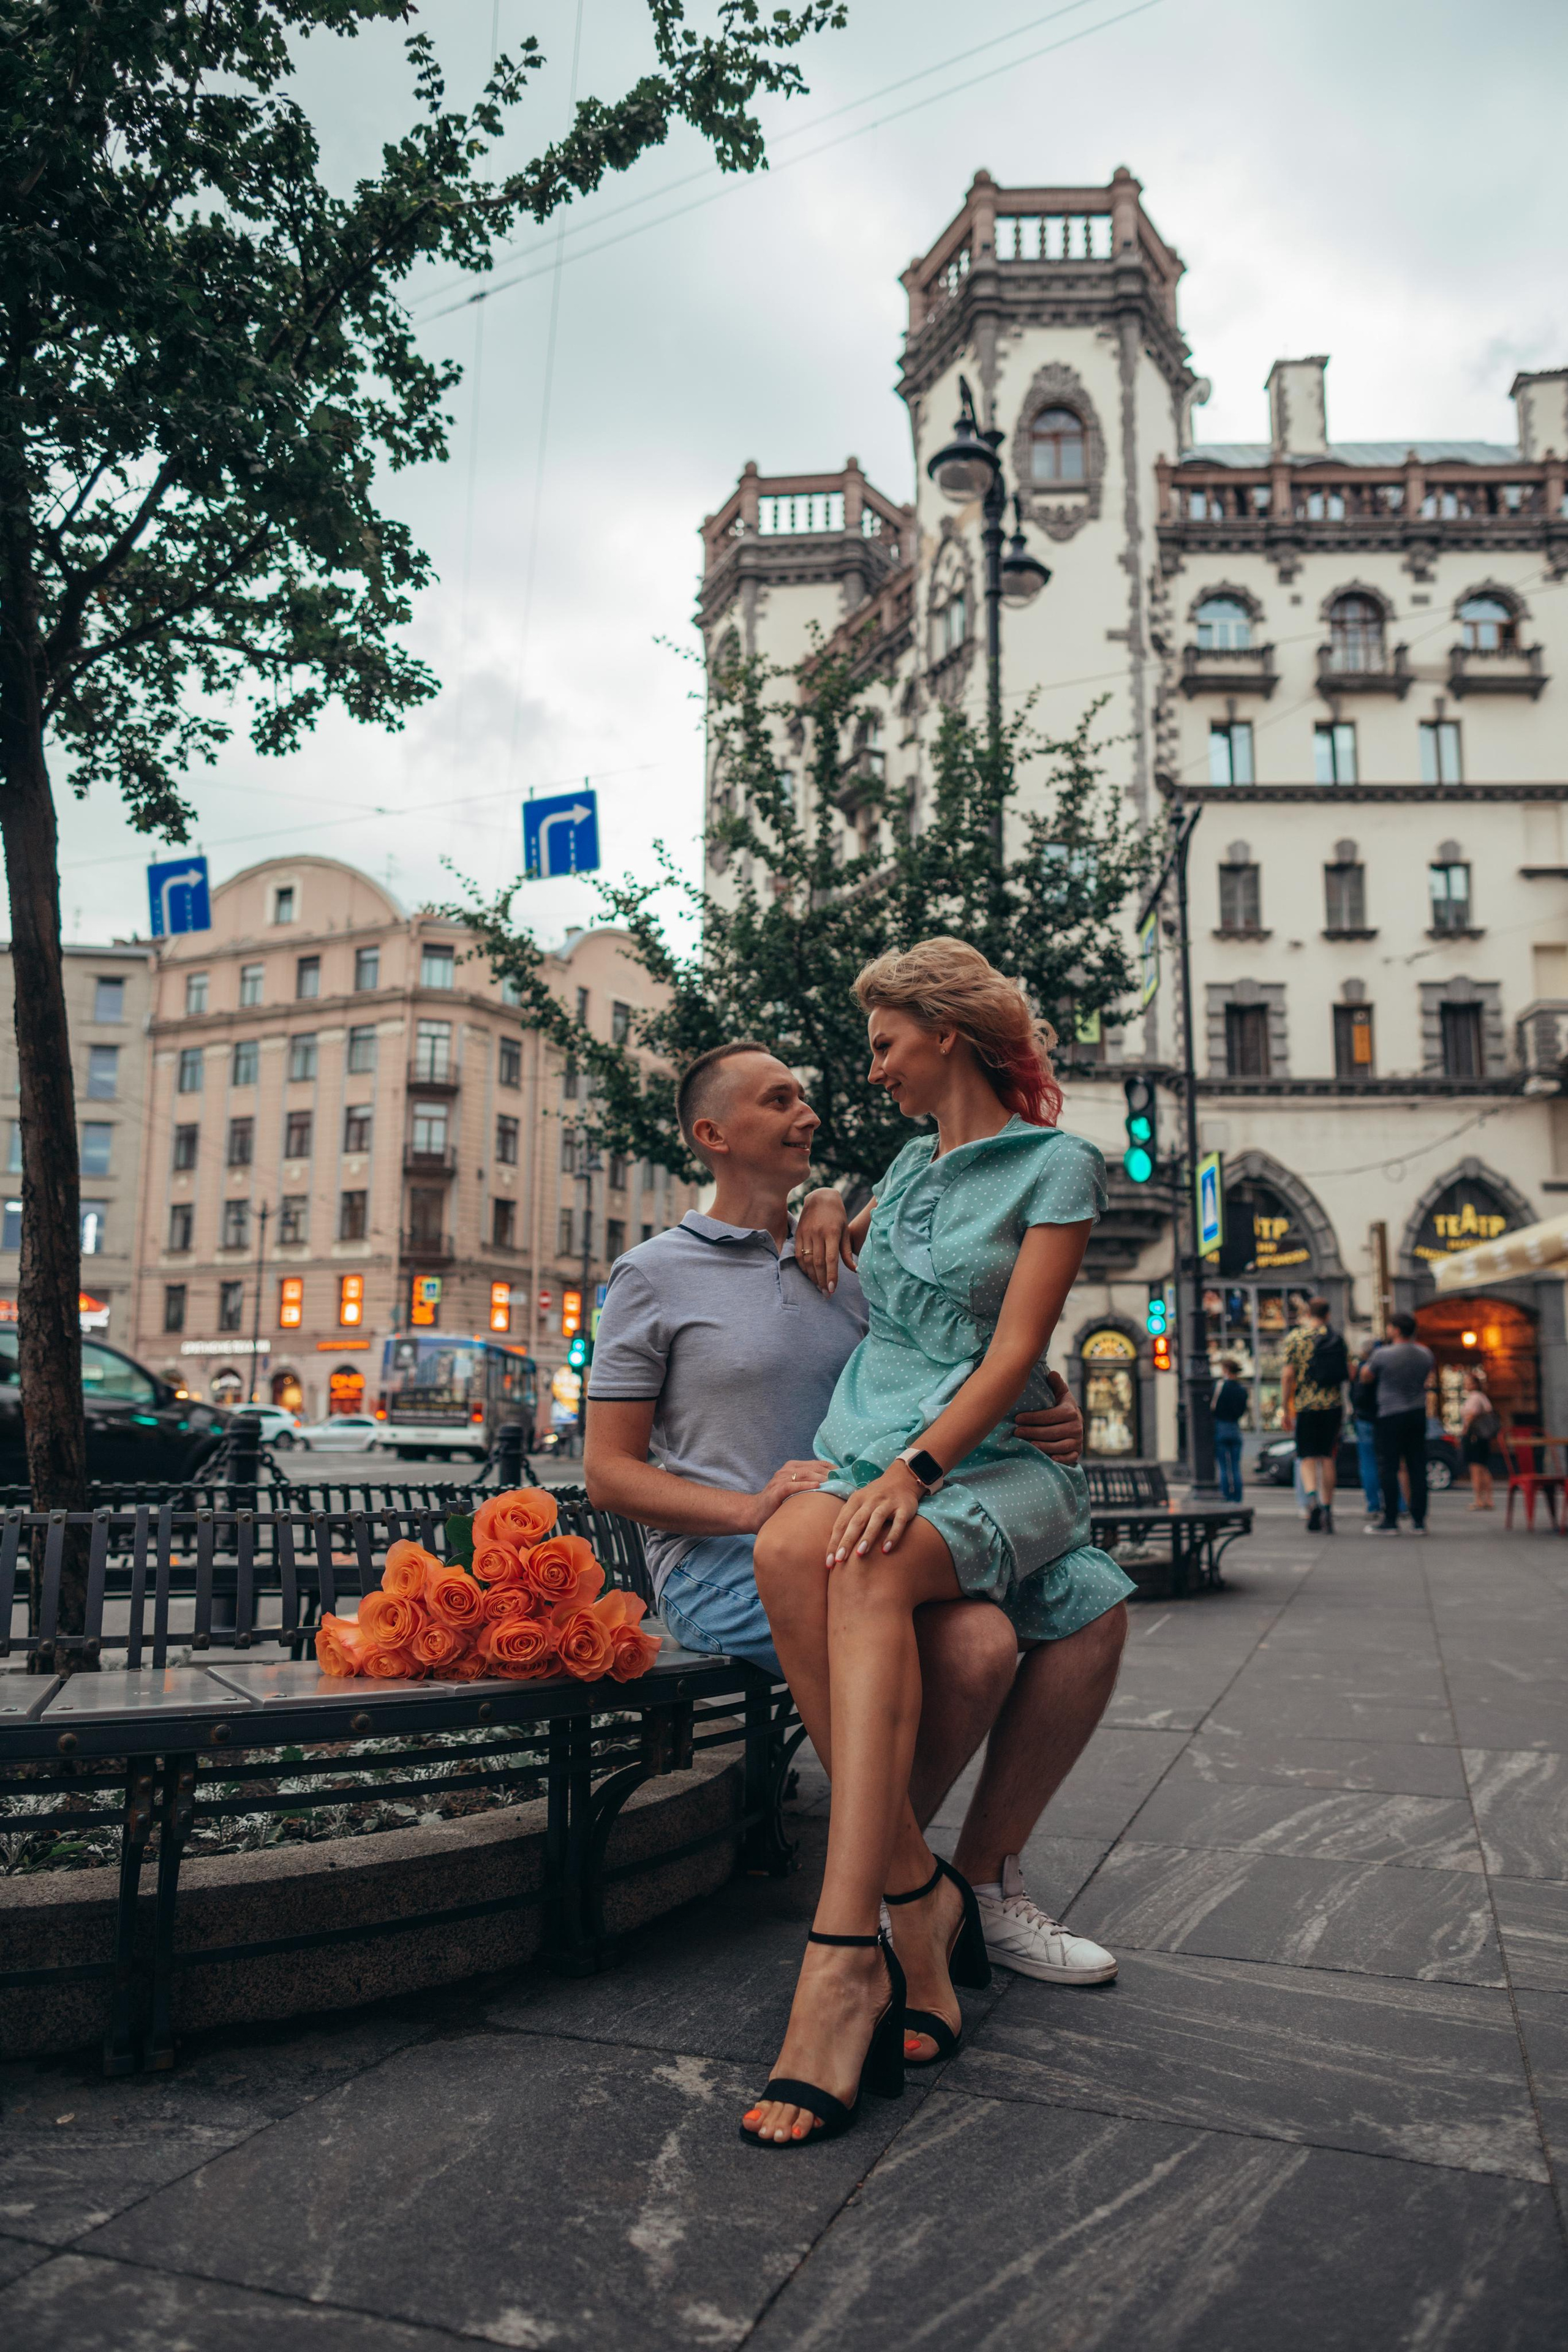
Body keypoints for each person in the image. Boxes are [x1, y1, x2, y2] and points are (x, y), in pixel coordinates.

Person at [582, 1033, 1126, 2046]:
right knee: (975, 1645)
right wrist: (750, 1510)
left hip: (875, 1528)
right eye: (780, 1101)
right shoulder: (655, 1274)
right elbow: (605, 1473)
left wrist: (1053, 1408)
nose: (811, 1113)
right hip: (729, 1563)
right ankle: (899, 1891)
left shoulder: (848, 1258)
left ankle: (944, 1887)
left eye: (808, 1097)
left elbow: (950, 1353)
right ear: (713, 1135)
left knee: (1072, 1610)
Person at [739, 938, 1134, 2149]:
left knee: (871, 1565)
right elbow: (867, 1265)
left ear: (943, 1033)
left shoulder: (1056, 1165)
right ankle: (914, 1899)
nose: (873, 1072)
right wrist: (814, 1201)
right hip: (868, 1445)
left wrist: (918, 1473)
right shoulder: (904, 1168)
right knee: (798, 1553)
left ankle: (841, 1950)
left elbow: (1015, 1350)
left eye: (883, 1046)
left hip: (984, 1460)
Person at [1361, 1311, 1438, 1536]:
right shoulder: (1425, 1354)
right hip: (1417, 1413)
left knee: (1389, 1467)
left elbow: (1366, 1376)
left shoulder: (1383, 1355)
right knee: (1416, 1467)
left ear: (1395, 1330)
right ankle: (1419, 1520)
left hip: (1390, 1414)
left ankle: (1391, 1519)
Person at [1281, 1295, 1349, 1532]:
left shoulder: (1296, 1338)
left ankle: (1312, 1499)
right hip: (1333, 1405)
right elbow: (1347, 1371)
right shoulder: (1336, 1338)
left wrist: (1285, 1405)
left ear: (1308, 1313)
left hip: (1305, 1405)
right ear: (1328, 1314)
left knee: (1307, 1457)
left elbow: (1288, 1374)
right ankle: (1328, 1507)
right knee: (1327, 1457)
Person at [1350, 1337, 1385, 1527]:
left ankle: (1373, 1505)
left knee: (1369, 1464)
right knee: (1390, 1463)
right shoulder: (1387, 1367)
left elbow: (1356, 1395)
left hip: (1365, 1419)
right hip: (1385, 1417)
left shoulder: (1363, 1369)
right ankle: (1399, 1503)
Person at [1460, 1365, 1499, 1510]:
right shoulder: (1483, 1397)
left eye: (1468, 1382)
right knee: (1484, 1468)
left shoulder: (1474, 1397)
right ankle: (1488, 1499)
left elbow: (1470, 1416)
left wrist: (1464, 1432)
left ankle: (1478, 1499)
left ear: (1474, 1384)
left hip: (1474, 1437)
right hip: (1483, 1438)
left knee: (1475, 1469)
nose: (1466, 1385)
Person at [1211, 1357, 1248, 1502]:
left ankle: (1226, 1495)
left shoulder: (1220, 1387)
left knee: (1224, 1467)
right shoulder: (1241, 1390)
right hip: (1235, 1428)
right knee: (1235, 1467)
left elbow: (1213, 1407)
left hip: (1221, 1427)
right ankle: (1237, 1497)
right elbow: (1242, 1410)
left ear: (1226, 1370)